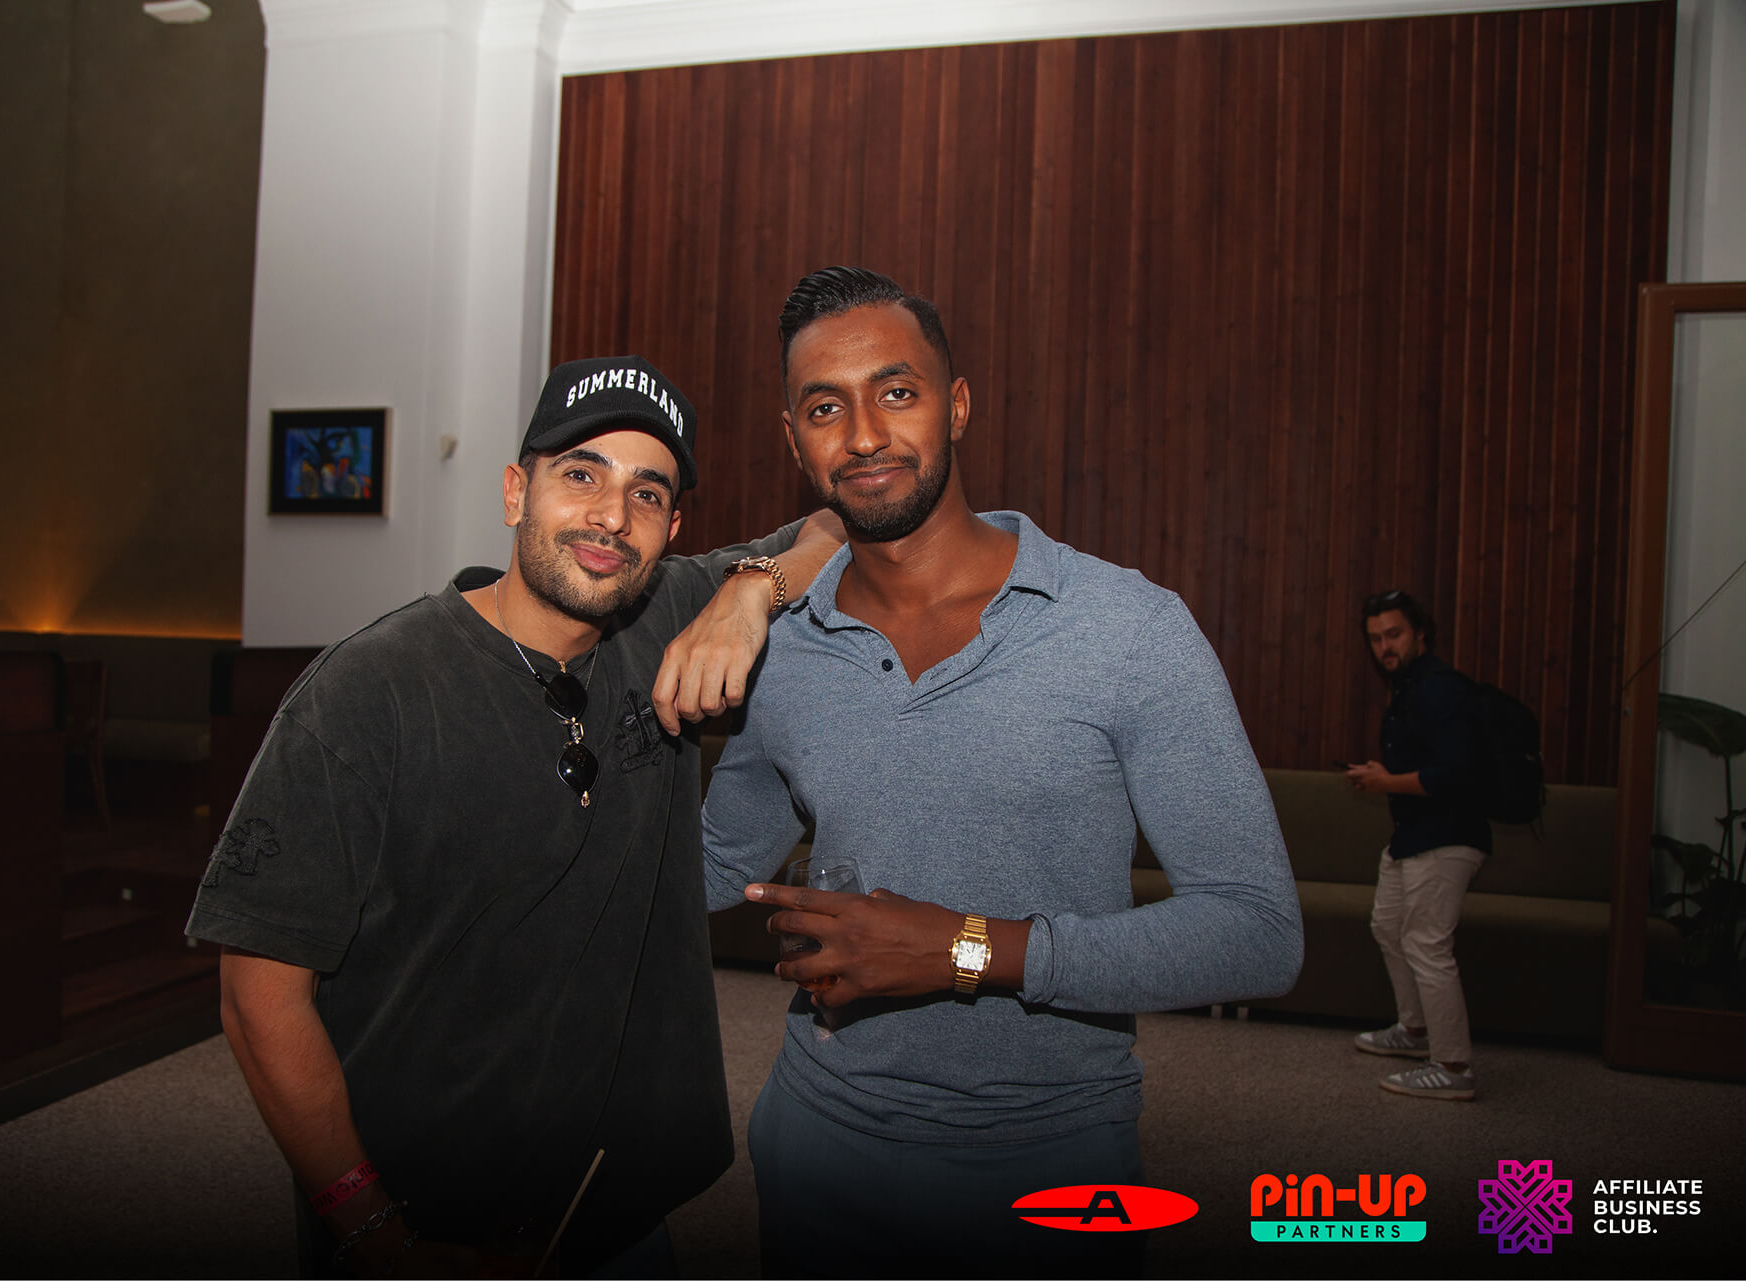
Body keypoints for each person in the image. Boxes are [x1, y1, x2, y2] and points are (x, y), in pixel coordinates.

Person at [699, 267, 1304, 1276]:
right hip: (814, 1148)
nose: (864, 435)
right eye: (825, 407)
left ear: (958, 405)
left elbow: (1257, 933)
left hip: (1050, 1167)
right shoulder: (784, 647)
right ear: (793, 438)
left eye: (897, 392)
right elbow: (714, 862)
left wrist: (966, 949)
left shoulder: (1129, 629)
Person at [186, 355, 840, 1278]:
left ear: (671, 530)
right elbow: (258, 994)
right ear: (514, 491)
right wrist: (373, 1233)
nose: (611, 516)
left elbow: (832, 523)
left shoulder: (667, 616)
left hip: (612, 1212)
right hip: (418, 1219)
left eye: (646, 493)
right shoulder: (366, 692)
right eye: (581, 474)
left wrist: (748, 592)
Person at [1346, 589, 1489, 1102]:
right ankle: (1416, 1029)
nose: (1385, 647)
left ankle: (1453, 1066)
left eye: (1394, 634)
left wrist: (1385, 782)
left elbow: (1458, 774)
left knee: (1427, 943)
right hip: (1413, 835)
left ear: (1420, 633)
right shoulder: (1408, 688)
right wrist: (1384, 777)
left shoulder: (1439, 689)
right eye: (1376, 639)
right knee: (1389, 927)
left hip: (1447, 836)